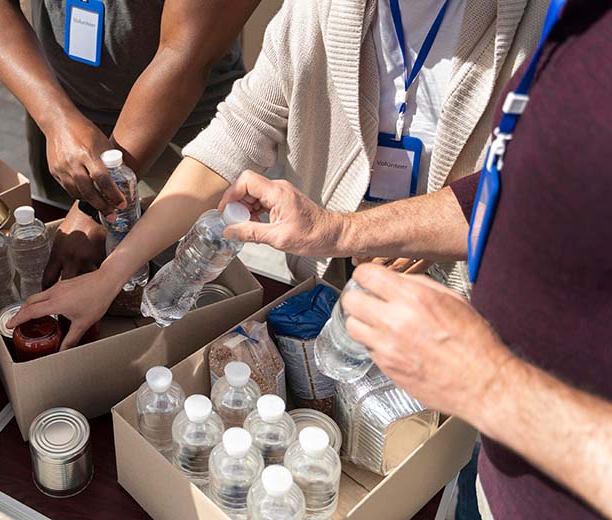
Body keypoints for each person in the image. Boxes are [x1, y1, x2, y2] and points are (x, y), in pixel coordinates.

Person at [209, 1, 609, 517]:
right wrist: (342, 230)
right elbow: (502, 190)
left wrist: (490, 382)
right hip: (498, 478)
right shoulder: (578, 25)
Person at [9, 0, 548, 347]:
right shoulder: (322, 10)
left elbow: (536, 186)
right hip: (325, 290)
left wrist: (385, 229)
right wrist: (112, 274)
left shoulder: (546, 23)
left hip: (474, 322)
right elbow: (233, 136)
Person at [0, 0, 260, 286]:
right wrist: (55, 118)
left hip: (178, 127)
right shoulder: (55, 117)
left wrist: (96, 207)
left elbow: (186, 54)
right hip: (57, 105)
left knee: (179, 283)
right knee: (63, 259)